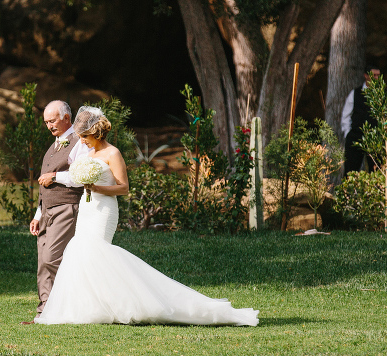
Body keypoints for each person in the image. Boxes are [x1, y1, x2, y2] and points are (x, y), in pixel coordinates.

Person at [36, 106, 258, 326]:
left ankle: (140, 300)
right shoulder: (88, 154)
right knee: (80, 253)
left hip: (104, 210)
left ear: (95, 133)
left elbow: (123, 188)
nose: (81, 141)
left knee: (98, 252)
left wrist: (98, 188)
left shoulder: (113, 153)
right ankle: (90, 307)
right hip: (87, 210)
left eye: (84, 136)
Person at [27, 100, 89, 319]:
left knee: (52, 258)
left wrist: (55, 176)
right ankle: (45, 311)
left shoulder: (79, 142)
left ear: (66, 118)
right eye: (46, 122)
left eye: (52, 120)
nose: (49, 126)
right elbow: (43, 187)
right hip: (46, 212)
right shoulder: (53, 145)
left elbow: (82, 177)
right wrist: (37, 215)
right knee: (42, 263)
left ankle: (69, 304)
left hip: (66, 207)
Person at [341, 66, 387, 175]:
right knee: (350, 172)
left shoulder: (385, 95)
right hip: (356, 137)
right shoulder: (355, 93)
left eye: (378, 75)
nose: (376, 78)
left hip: (377, 139)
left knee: (377, 172)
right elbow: (346, 116)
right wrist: (348, 133)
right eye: (373, 75)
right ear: (366, 76)